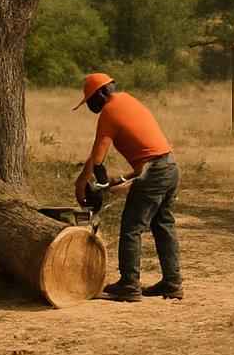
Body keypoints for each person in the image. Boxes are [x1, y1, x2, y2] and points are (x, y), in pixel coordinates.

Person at [73, 72, 182, 302]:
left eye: (90, 100)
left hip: (155, 171)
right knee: (163, 224)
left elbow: (99, 160)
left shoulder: (109, 111)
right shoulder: (128, 100)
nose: (90, 106)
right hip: (170, 166)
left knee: (132, 226)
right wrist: (120, 179)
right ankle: (172, 284)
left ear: (101, 93)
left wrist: (92, 184)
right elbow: (151, 152)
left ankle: (129, 285)